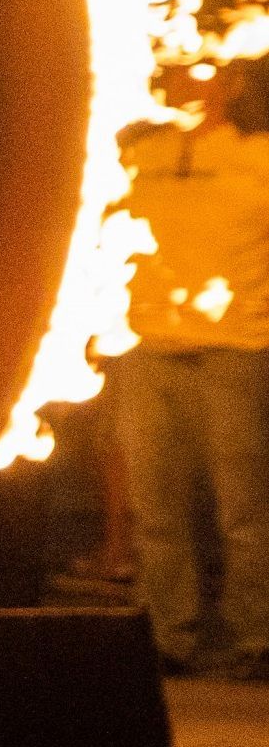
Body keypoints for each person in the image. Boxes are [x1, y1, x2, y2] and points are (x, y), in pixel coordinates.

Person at [111, 64, 269, 679]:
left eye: (202, 73)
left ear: (232, 86)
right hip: (147, 348)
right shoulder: (134, 156)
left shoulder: (257, 158)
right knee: (156, 505)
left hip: (236, 348)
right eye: (175, 72)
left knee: (244, 506)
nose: (186, 83)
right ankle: (167, 635)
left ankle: (257, 637)